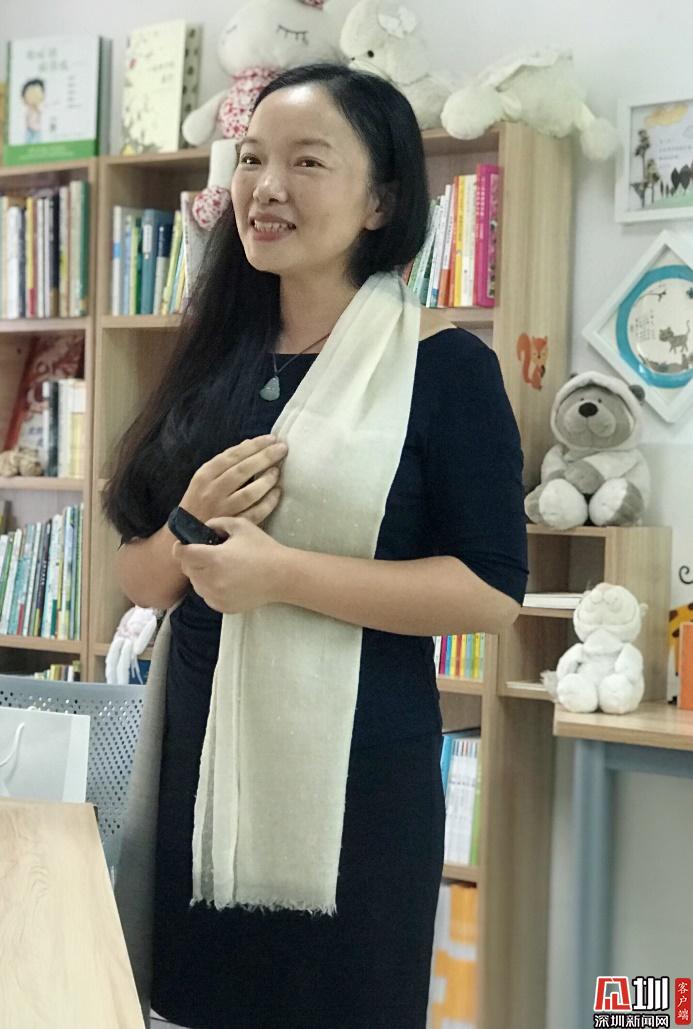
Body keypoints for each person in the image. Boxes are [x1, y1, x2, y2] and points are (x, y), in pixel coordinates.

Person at [104, 63, 528, 1029]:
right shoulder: (211, 355)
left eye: (306, 162)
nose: (266, 187)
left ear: (380, 200)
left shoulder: (444, 367)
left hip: (357, 788)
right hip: (198, 775)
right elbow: (139, 576)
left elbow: (488, 591)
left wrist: (281, 575)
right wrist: (187, 522)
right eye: (252, 159)